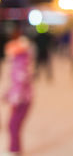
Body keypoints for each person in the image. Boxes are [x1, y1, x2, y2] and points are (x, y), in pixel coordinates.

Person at [2, 27, 34, 156]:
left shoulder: (21, 63)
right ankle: (15, 148)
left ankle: (14, 150)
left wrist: (13, 97)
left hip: (22, 100)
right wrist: (8, 94)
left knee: (13, 125)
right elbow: (15, 83)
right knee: (13, 125)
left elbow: (20, 83)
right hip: (20, 98)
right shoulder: (18, 62)